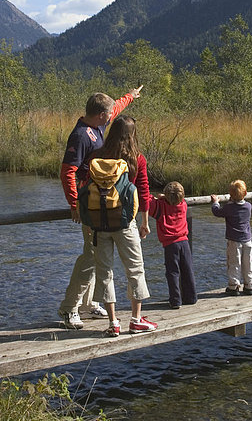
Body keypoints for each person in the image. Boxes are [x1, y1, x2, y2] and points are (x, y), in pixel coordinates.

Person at [58, 87, 143, 330]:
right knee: (90, 257)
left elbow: (115, 106)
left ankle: (88, 304)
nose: (111, 117)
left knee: (96, 256)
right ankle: (68, 308)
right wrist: (74, 204)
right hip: (90, 205)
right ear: (99, 115)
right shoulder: (81, 136)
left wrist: (130, 96)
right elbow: (68, 172)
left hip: (100, 203)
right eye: (108, 115)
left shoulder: (97, 126)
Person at [88, 115, 157, 337]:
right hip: (126, 222)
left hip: (100, 223)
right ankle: (136, 320)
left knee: (105, 271)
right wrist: (145, 222)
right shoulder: (136, 159)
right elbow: (144, 192)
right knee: (135, 269)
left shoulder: (97, 156)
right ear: (132, 134)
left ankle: (113, 322)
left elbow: (84, 183)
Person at [149, 181, 197, 309]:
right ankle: (191, 297)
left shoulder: (159, 207)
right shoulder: (183, 205)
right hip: (184, 241)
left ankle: (175, 300)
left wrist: (160, 198)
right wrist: (164, 197)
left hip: (170, 244)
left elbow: (147, 200)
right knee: (187, 269)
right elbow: (176, 200)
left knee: (172, 272)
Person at [210, 179, 252, 296]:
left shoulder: (229, 208)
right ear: (245, 194)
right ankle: (249, 285)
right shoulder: (248, 206)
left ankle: (233, 286)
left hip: (234, 241)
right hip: (247, 240)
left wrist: (215, 202)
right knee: (248, 263)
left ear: (230, 195)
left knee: (234, 263)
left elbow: (217, 212)